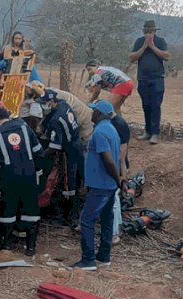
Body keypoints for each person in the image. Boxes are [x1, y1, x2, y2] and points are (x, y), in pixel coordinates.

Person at [0, 107, 43, 256]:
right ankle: (31, 248)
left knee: (7, 211)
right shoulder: (25, 127)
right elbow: (39, 152)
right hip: (29, 176)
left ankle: (7, 246)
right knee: (31, 210)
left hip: (9, 177)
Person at [72, 100, 122, 271]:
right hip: (108, 185)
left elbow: (108, 159)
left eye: (94, 111)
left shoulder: (100, 132)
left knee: (87, 220)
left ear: (100, 113)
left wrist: (117, 178)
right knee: (107, 219)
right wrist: (118, 180)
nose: (91, 113)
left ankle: (88, 260)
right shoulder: (112, 129)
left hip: (101, 185)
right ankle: (104, 256)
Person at [38, 89, 83, 225]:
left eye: (44, 103)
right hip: (77, 142)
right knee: (77, 175)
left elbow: (54, 146)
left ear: (51, 102)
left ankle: (70, 214)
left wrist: (40, 155)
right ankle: (77, 202)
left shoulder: (55, 121)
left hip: (68, 150)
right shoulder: (64, 104)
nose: (42, 106)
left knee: (68, 181)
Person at [129, 20, 170, 145]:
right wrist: (144, 47)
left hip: (157, 78)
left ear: (155, 32)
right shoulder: (139, 42)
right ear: (143, 32)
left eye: (151, 32)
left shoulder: (161, 41)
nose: (148, 34)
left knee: (155, 105)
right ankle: (147, 131)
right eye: (146, 32)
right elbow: (132, 58)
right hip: (143, 79)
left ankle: (155, 133)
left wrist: (152, 46)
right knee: (146, 105)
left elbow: (166, 56)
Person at [27, 80, 93, 145]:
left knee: (84, 145)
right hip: (72, 116)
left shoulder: (52, 98)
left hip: (83, 118)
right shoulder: (46, 96)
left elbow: (52, 118)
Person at [109, 110, 130, 244]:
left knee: (113, 202)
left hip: (116, 169)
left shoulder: (119, 126)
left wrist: (122, 177)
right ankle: (118, 226)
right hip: (116, 167)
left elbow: (121, 157)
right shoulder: (117, 123)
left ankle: (115, 233)